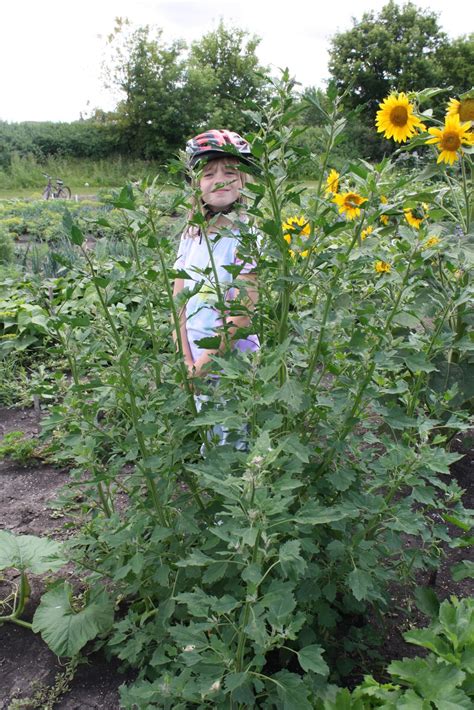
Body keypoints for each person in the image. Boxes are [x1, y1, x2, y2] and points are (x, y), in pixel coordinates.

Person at [172, 129, 260, 447]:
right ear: (195, 183)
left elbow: (242, 314)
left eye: (230, 172)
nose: (219, 179)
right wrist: (185, 360)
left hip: (234, 364)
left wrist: (203, 366)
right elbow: (178, 300)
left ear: (243, 181)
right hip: (196, 360)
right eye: (208, 173)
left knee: (238, 442)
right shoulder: (190, 235)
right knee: (212, 440)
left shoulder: (247, 237)